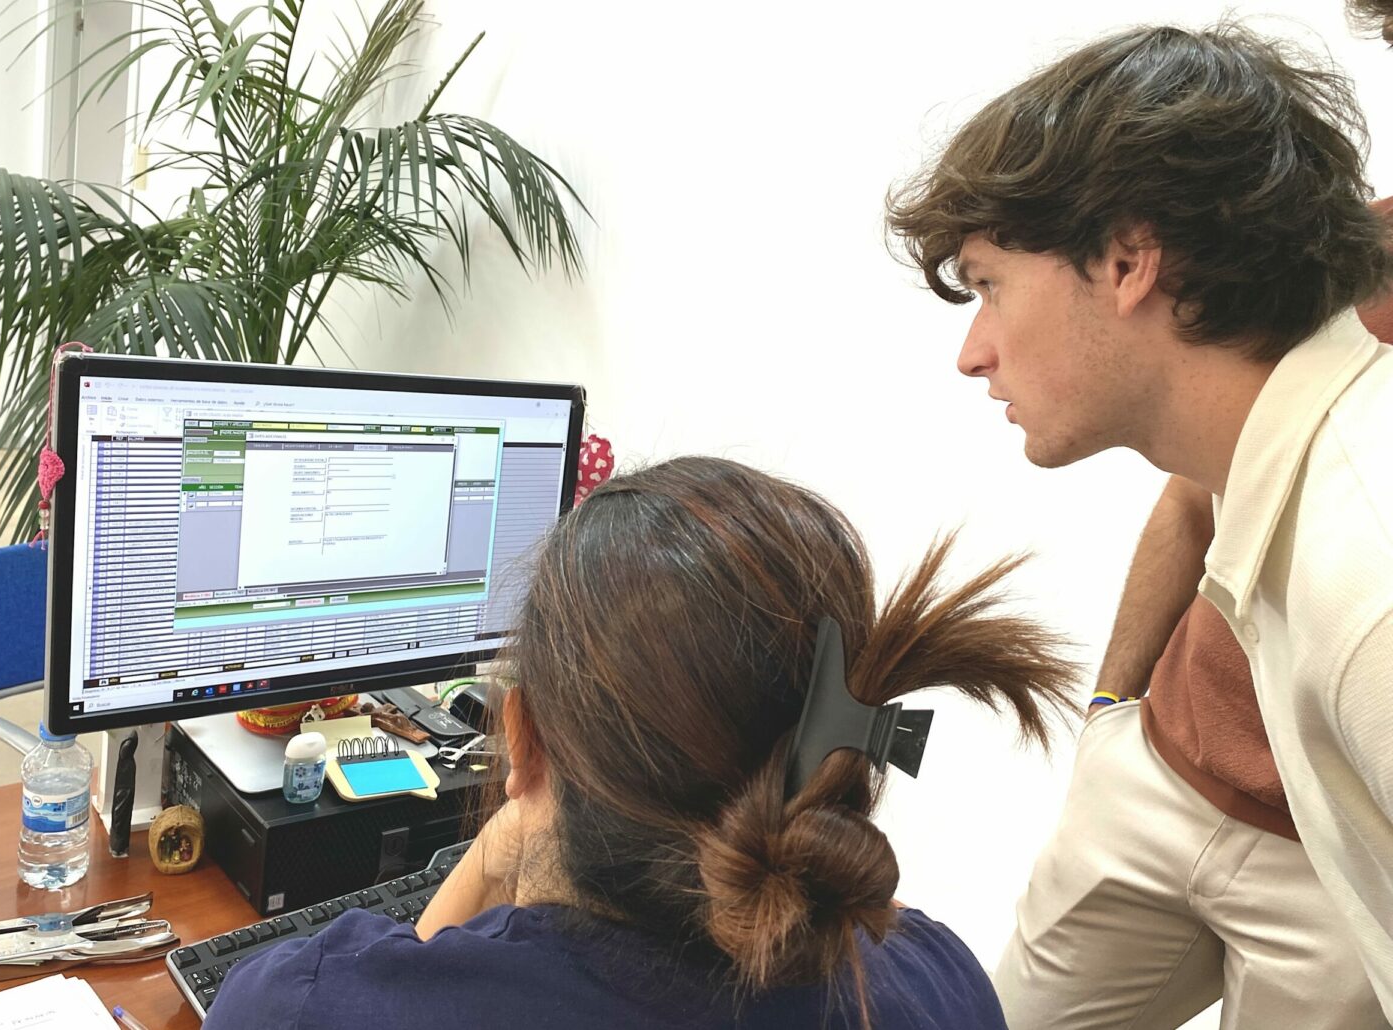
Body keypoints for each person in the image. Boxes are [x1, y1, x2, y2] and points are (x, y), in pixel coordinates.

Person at [888, 21, 1393, 1026]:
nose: (973, 352)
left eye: (989, 286)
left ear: (1127, 261)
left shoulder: (1367, 570)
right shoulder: (1280, 465)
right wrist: (1114, 715)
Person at [204, 456, 1080, 1029]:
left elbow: (399, 980)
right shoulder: (938, 980)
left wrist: (489, 857)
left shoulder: (306, 1008)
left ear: (522, 736)